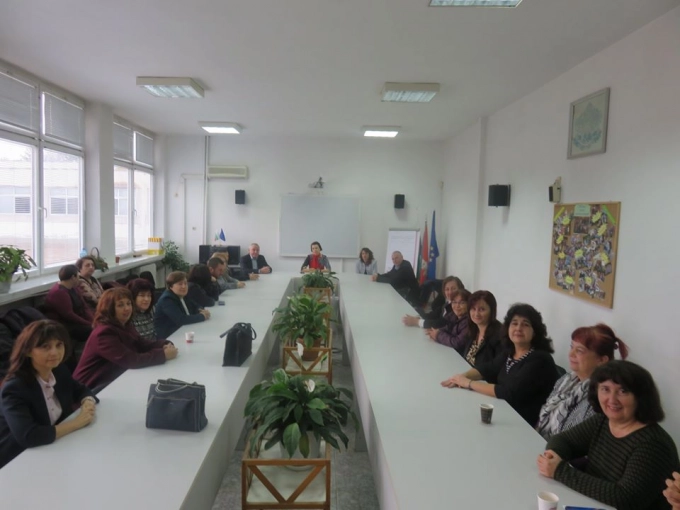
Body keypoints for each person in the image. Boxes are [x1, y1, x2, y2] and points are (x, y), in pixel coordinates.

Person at [537, 361, 680, 510]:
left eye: (623, 391)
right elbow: (563, 440)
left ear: (640, 397)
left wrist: (559, 471)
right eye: (605, 389)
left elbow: (625, 499)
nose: (612, 399)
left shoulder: (654, 444)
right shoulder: (603, 420)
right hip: (589, 503)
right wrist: (552, 456)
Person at [0, 320, 97, 469]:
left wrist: (88, 402)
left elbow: (80, 389)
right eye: (45, 347)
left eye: (59, 345)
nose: (55, 352)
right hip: (20, 458)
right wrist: (77, 423)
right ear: (28, 351)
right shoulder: (14, 388)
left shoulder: (58, 370)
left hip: (57, 448)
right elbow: (29, 435)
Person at [441, 303, 558, 425]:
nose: (518, 328)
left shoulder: (540, 359)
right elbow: (488, 368)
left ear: (535, 332)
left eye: (525, 324)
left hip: (525, 424)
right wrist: (462, 377)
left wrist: (468, 383)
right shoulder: (511, 351)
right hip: (504, 413)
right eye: (514, 323)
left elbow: (508, 393)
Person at [537, 324, 629, 440]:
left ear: (601, 360)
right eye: (572, 347)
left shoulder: (601, 398)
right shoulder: (567, 379)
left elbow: (577, 440)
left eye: (579, 351)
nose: (571, 354)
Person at [73, 288, 177, 390]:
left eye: (128, 303)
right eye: (120, 305)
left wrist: (164, 344)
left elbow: (142, 344)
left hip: (112, 381)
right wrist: (163, 354)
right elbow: (130, 360)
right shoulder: (103, 333)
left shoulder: (124, 325)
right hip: (89, 389)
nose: (127, 308)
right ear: (109, 308)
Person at [43, 264, 93, 345]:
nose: (79, 279)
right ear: (73, 277)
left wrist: (92, 320)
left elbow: (84, 306)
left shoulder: (74, 288)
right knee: (93, 330)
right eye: (78, 276)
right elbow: (69, 315)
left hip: (78, 319)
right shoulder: (59, 292)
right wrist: (88, 323)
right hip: (65, 325)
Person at [154, 271, 211, 339]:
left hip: (183, 331)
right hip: (169, 337)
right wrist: (202, 316)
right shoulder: (166, 300)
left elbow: (196, 306)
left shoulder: (182, 295)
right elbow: (181, 320)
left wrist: (201, 310)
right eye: (180, 284)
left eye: (185, 283)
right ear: (171, 286)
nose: (184, 286)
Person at [460, 290, 502, 367]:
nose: (476, 314)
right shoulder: (473, 330)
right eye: (473, 309)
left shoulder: (499, 335)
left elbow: (495, 367)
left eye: (482, 309)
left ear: (491, 311)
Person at [427, 288, 470, 353]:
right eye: (454, 302)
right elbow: (446, 327)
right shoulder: (453, 315)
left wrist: (438, 335)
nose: (457, 306)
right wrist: (436, 331)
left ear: (469, 304)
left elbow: (457, 343)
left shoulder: (469, 322)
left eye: (462, 303)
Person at [126, 278, 160, 345]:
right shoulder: (127, 316)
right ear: (132, 297)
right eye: (142, 295)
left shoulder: (152, 310)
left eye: (149, 295)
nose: (146, 299)